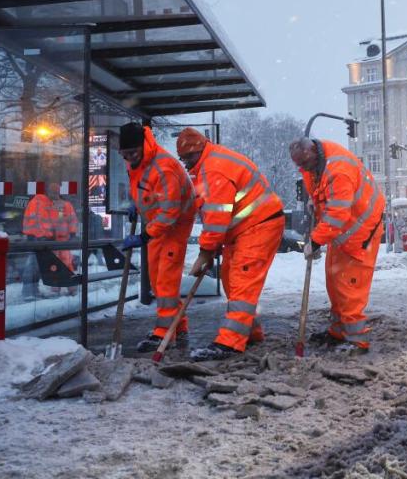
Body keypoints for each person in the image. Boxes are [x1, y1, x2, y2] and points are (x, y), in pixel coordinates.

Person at [176, 128, 285, 361]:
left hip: (259, 226)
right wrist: (211, 247)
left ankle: (230, 342)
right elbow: (214, 216)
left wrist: (205, 252)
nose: (185, 164)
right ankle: (249, 332)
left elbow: (217, 218)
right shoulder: (207, 166)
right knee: (230, 279)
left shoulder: (214, 169)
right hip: (244, 229)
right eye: (182, 159)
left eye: (188, 158)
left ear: (200, 150)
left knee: (242, 281)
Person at [289, 137, 385, 355]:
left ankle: (357, 340)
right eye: (300, 165)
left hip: (360, 232)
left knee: (349, 286)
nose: (302, 169)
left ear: (313, 154)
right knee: (335, 282)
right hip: (343, 232)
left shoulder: (338, 170)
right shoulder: (316, 163)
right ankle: (339, 331)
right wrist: (315, 200)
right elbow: (323, 192)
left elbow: (337, 215)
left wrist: (314, 241)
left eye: (304, 164)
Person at [118, 122, 196, 352]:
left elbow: (170, 211)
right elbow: (143, 187)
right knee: (156, 278)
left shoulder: (164, 167)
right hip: (157, 223)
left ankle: (163, 334)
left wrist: (144, 236)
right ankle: (179, 328)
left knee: (166, 279)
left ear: (143, 146)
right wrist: (137, 204)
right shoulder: (136, 162)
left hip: (176, 224)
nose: (129, 158)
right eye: (124, 154)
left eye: (132, 153)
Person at [21, 182, 79, 299]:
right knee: (62, 263)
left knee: (44, 264)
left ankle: (51, 288)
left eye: (55, 192)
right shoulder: (52, 204)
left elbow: (57, 220)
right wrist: (71, 233)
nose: (53, 194)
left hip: (42, 239)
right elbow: (63, 221)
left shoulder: (36, 203)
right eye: (53, 192)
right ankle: (67, 288)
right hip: (53, 239)